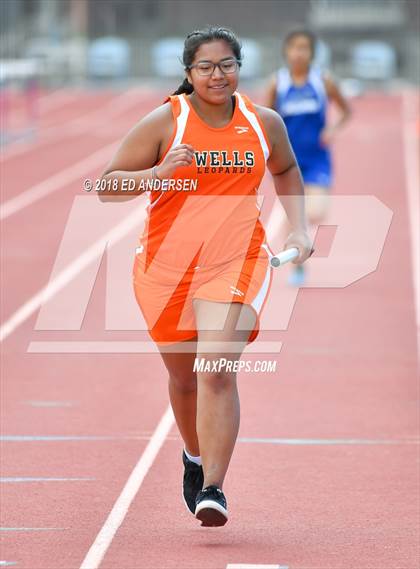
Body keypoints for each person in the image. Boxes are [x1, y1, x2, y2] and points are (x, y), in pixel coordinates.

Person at [98, 26, 312, 527]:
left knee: (214, 368)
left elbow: (286, 169)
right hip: (166, 270)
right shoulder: (164, 122)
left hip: (236, 260)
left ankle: (214, 486)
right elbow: (104, 185)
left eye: (227, 65)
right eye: (206, 67)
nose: (218, 75)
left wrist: (299, 228)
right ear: (189, 73)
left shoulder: (264, 123)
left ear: (240, 67)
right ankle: (193, 457)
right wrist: (156, 175)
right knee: (182, 377)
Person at [265, 29, 351, 285]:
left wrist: (331, 130)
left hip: (317, 159)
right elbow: (267, 119)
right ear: (286, 52)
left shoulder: (322, 82)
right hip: (288, 161)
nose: (298, 53)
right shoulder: (277, 83)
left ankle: (296, 230)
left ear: (312, 53)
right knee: (296, 215)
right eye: (294, 47)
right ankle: (298, 265)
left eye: (304, 48)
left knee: (316, 212)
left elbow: (346, 111)